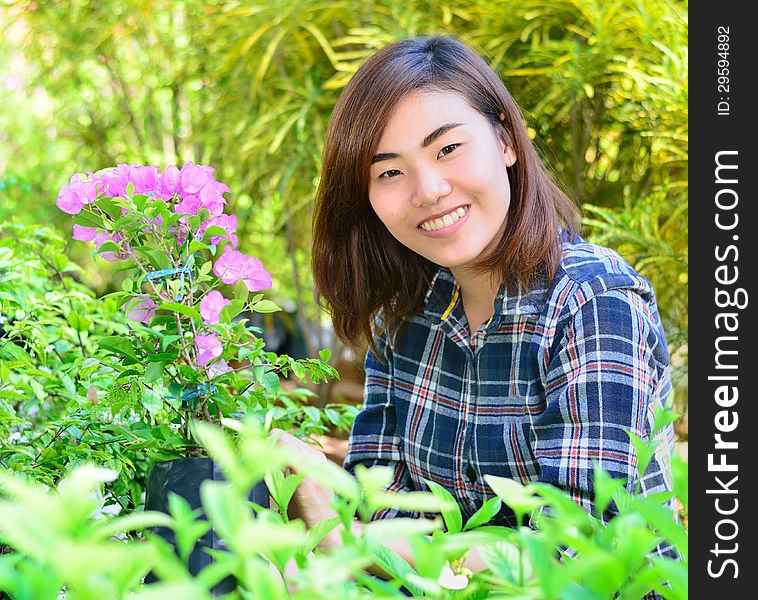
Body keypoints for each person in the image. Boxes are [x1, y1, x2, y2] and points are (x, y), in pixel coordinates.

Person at [274, 34, 676, 592]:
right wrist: (314, 483)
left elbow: (581, 548)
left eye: (447, 149)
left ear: (506, 141)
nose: (429, 190)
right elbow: (385, 501)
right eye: (389, 171)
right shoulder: (404, 317)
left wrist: (349, 543)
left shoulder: (594, 301)